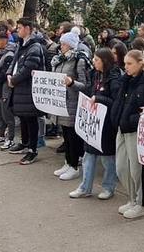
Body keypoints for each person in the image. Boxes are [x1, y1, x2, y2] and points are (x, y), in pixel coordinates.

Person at [112, 49, 144, 219]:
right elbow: (119, 101)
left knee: (137, 170)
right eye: (125, 63)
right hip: (122, 129)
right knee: (122, 167)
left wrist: (131, 120)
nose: (126, 67)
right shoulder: (127, 81)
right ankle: (132, 199)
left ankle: (141, 203)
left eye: (130, 63)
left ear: (141, 63)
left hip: (136, 131)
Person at [69, 47, 120, 199]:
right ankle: (85, 187)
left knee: (107, 158)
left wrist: (99, 99)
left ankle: (108, 187)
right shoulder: (95, 74)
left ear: (105, 61)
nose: (93, 62)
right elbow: (89, 90)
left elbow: (115, 102)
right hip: (92, 123)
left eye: (96, 60)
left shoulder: (114, 78)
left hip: (106, 125)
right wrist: (74, 85)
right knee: (88, 155)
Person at [7, 18, 46, 165]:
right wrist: (9, 74)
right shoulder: (21, 44)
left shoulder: (34, 47)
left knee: (31, 118)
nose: (18, 30)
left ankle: (33, 149)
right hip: (20, 88)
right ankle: (24, 143)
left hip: (29, 88)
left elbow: (29, 68)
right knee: (23, 116)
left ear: (28, 29)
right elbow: (15, 62)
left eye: (20, 28)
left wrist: (14, 79)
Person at [56, 31, 91, 180]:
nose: (61, 46)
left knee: (72, 135)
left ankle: (74, 165)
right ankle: (68, 162)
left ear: (70, 45)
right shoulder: (61, 59)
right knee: (65, 133)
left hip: (73, 102)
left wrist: (71, 83)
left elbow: (85, 85)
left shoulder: (79, 60)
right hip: (62, 102)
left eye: (64, 44)